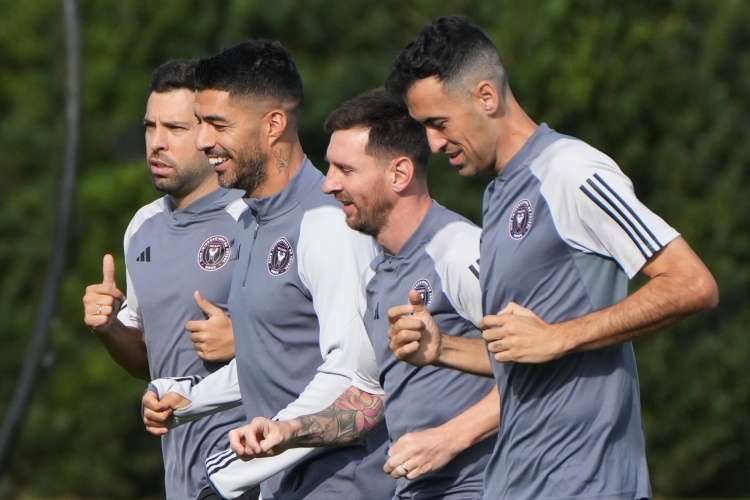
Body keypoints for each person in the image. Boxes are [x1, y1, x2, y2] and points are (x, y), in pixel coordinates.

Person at [384, 15, 719, 500]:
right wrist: (444, 349)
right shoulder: (499, 195)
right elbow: (527, 354)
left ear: (486, 97)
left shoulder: (569, 170)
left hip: (588, 482)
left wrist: (559, 337)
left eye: (439, 123)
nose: (432, 144)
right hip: (517, 483)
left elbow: (691, 283)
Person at [142, 41, 394, 500]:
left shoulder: (328, 223)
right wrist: (190, 398)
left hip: (344, 485)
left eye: (218, 125)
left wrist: (232, 473)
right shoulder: (249, 220)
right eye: (201, 124)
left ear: (273, 124)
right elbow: (279, 358)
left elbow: (354, 380)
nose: (203, 141)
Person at [229, 88, 500, 499]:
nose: (329, 184)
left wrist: (450, 438)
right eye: (330, 167)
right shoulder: (378, 274)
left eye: (346, 169)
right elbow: (371, 397)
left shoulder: (458, 249)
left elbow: (543, 367)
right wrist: (289, 431)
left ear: (399, 174)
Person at [82, 59, 250, 500]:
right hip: (180, 479)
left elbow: (319, 343)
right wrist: (109, 328)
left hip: (251, 470)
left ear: (210, 132)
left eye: (174, 128)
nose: (156, 143)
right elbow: (148, 360)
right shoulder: (142, 227)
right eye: (150, 126)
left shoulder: (253, 219)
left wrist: (246, 340)